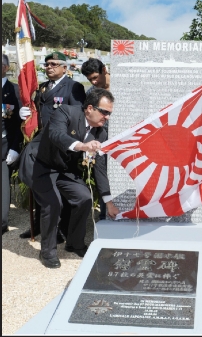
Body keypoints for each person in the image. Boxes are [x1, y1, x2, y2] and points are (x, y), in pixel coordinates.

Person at [18, 88, 119, 268]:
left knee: (84, 198)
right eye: (104, 112)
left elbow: (100, 167)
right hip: (40, 163)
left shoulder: (101, 133)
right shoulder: (66, 112)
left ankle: (74, 243)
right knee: (53, 203)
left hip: (64, 168)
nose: (107, 117)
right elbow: (56, 135)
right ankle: (47, 252)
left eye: (109, 113)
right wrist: (81, 146)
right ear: (89, 108)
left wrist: (108, 200)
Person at [19, 51, 86, 241]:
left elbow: (78, 116)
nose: (49, 67)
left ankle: (60, 229)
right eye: (47, 64)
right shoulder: (42, 88)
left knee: (61, 190)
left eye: (54, 64)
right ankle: (40, 225)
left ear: (65, 68)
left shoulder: (74, 87)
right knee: (41, 185)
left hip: (62, 146)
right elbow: (37, 113)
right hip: (42, 144)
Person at [81, 58, 110, 220]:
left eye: (95, 77)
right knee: (104, 181)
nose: (93, 81)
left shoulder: (123, 84)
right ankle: (105, 216)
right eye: (89, 79)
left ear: (104, 70)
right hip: (102, 144)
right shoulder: (91, 93)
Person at [2, 54, 23, 234]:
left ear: (6, 68)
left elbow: (19, 125)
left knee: (2, 187)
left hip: (4, 147)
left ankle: (2, 222)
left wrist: (15, 148)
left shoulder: (15, 91)